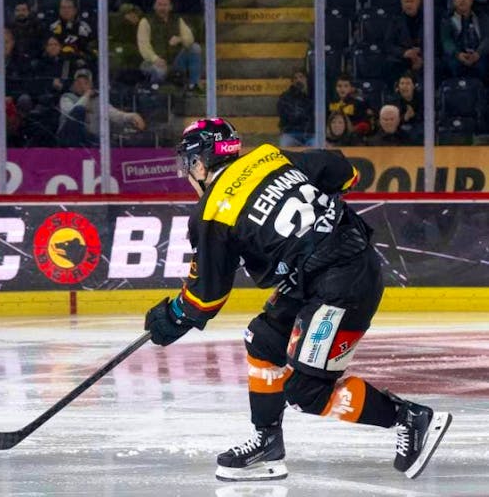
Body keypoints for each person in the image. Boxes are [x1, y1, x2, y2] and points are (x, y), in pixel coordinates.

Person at [145, 118, 452, 482]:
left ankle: (410, 418)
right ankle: (267, 445)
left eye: (188, 163)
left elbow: (205, 299)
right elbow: (345, 171)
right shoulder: (268, 157)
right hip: (328, 271)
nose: (186, 174)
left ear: (200, 162)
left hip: (340, 286)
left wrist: (173, 315)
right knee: (263, 340)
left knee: (306, 390)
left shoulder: (211, 212)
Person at [57, 68, 145, 148]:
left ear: (91, 85)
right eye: (78, 82)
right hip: (69, 138)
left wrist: (131, 116)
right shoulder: (66, 97)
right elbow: (72, 114)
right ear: (74, 84)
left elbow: (113, 114)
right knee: (79, 110)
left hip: (90, 140)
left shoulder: (97, 100)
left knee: (111, 146)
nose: (81, 85)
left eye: (85, 83)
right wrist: (86, 95)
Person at [137, 0, 202, 90]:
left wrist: (180, 39)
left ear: (170, 7)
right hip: (152, 62)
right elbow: (143, 45)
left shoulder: (177, 20)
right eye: (159, 5)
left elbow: (190, 38)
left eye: (165, 5)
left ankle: (194, 85)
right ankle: (158, 94)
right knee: (159, 71)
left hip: (174, 61)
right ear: (154, 6)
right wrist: (155, 59)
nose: (162, 8)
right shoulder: (146, 21)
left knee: (195, 48)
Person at [440, 0, 489, 79]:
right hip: (456, 56)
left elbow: (487, 38)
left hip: (479, 54)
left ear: (471, 0)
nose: (462, 0)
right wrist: (458, 55)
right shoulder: (447, 19)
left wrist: (478, 53)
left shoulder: (482, 17)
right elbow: (446, 41)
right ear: (454, 1)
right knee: (452, 65)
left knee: (482, 67)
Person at [276, 70, 313, 147]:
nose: (298, 80)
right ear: (292, 82)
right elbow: (289, 117)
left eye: (301, 77)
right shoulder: (285, 97)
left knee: (318, 146)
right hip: (291, 133)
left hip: (311, 133)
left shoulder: (314, 95)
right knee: (284, 144)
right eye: (295, 78)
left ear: (307, 79)